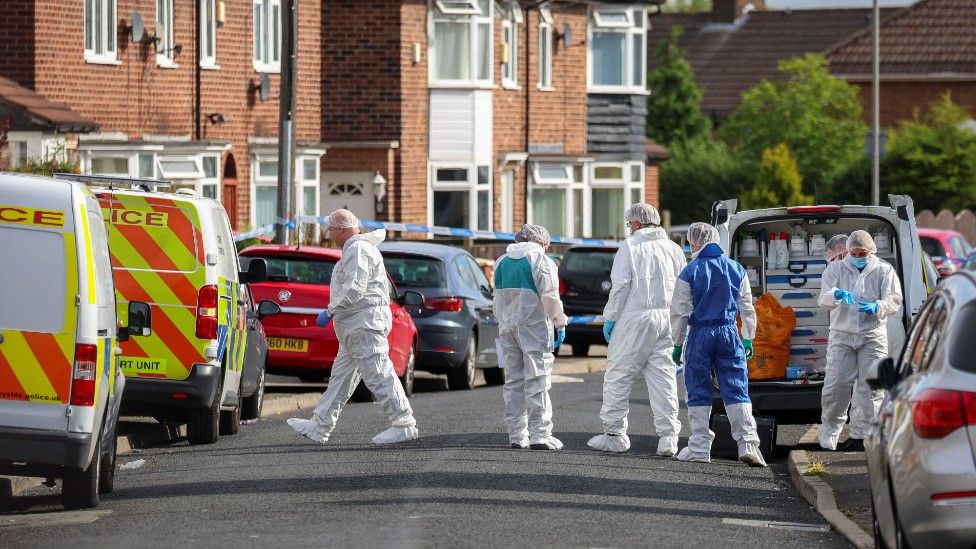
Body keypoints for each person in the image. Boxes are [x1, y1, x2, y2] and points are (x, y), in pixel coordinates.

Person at [286, 209, 417, 445]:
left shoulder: (357, 250)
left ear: (343, 229)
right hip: (356, 326)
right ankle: (320, 425)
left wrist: (330, 310)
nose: (329, 233)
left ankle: (404, 423)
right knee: (341, 378)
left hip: (363, 324)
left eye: (332, 229)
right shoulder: (357, 249)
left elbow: (355, 288)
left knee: (378, 373)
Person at [588, 203, 686, 455]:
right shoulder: (674, 249)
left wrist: (609, 317)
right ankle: (668, 437)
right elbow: (684, 289)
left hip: (635, 318)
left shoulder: (630, 247)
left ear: (637, 223)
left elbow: (620, 287)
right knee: (664, 378)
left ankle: (614, 435)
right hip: (667, 319)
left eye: (629, 223)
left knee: (618, 376)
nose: (628, 228)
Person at [670, 222, 766, 467]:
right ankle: (748, 444)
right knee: (736, 387)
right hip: (729, 333)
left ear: (694, 242)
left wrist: (677, 344)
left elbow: (680, 312)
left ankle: (700, 447)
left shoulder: (690, 271)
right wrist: (748, 337)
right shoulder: (736, 268)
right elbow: (747, 307)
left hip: (700, 334)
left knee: (698, 389)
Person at [817, 230, 902, 452]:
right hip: (842, 335)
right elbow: (823, 298)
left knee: (872, 389)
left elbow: (894, 299)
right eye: (853, 252)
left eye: (861, 252)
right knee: (836, 386)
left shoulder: (884, 270)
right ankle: (830, 433)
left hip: (872, 334)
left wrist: (879, 306)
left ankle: (868, 436)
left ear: (871, 250)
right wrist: (835, 295)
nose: (857, 256)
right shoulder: (836, 268)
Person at [494, 224, 568, 450]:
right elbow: (550, 298)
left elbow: (497, 300)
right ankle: (540, 435)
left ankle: (516, 435)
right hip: (533, 327)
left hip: (507, 327)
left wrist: (504, 322)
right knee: (538, 380)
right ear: (542, 242)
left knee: (513, 381)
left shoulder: (501, 262)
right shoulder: (541, 261)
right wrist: (560, 321)